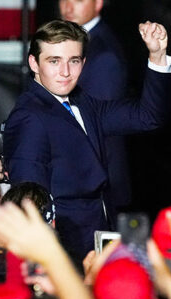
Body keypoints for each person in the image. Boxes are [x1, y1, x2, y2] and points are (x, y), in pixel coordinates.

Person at [2, 19, 171, 262]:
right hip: (66, 251)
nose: (65, 72)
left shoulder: (83, 102)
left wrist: (157, 55)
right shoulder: (29, 117)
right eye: (54, 61)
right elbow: (29, 204)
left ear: (83, 63)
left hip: (101, 238)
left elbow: (148, 116)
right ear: (34, 62)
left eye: (73, 61)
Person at [59, 0, 132, 213]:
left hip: (94, 185)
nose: (68, 6)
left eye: (79, 0)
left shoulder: (102, 54)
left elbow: (97, 126)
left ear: (98, 3)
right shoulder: (76, 43)